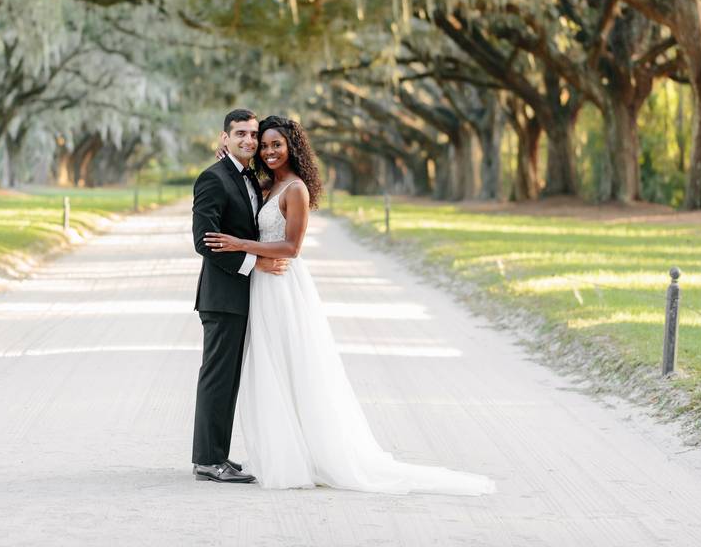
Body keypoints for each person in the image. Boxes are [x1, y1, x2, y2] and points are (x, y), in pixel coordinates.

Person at [203, 115, 495, 495]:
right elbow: (236, 186)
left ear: (294, 147)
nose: (270, 150)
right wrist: (226, 154)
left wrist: (242, 245)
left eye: (277, 144)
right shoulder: (264, 185)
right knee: (270, 368)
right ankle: (282, 451)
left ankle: (312, 454)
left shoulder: (296, 190)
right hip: (262, 285)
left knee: (294, 366)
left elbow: (292, 247)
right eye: (265, 144)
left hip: (283, 285)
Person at [190, 108, 288, 484]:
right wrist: (254, 263)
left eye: (253, 134)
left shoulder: (249, 177)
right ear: (224, 138)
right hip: (222, 297)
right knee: (217, 378)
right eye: (241, 134)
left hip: (244, 298)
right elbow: (205, 241)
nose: (249, 140)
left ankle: (218, 455)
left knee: (228, 379)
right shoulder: (213, 179)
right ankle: (207, 460)